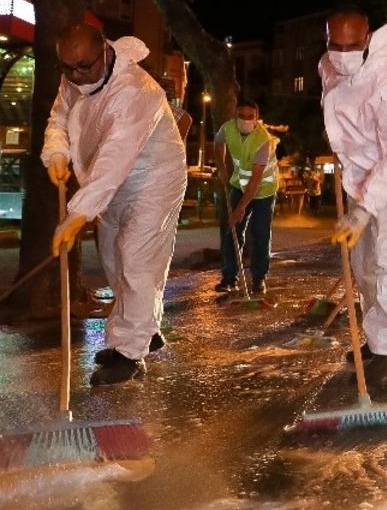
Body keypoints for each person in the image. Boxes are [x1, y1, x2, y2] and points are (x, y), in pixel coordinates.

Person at [43, 26, 186, 385]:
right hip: (108, 184)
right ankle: (142, 330)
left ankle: (129, 353)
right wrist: (57, 152)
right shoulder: (75, 77)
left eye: (84, 67)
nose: (76, 76)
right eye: (68, 69)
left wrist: (78, 214)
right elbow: (59, 116)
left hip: (153, 179)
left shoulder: (137, 91)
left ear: (105, 53)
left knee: (137, 258)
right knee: (114, 259)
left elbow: (115, 157)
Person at [321, 9, 387, 391]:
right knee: (363, 263)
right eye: (336, 45)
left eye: (352, 46)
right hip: (362, 175)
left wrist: (366, 209)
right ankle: (376, 339)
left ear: (368, 39)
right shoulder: (327, 66)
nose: (343, 53)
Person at [214, 99, 279, 294]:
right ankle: (229, 278)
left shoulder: (262, 140)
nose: (245, 120)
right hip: (239, 186)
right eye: (241, 116)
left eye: (250, 117)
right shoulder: (228, 129)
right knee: (232, 231)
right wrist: (221, 166)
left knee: (260, 234)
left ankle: (259, 279)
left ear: (257, 118)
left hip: (263, 191)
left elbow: (256, 180)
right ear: (235, 116)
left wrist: (240, 208)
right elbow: (218, 144)